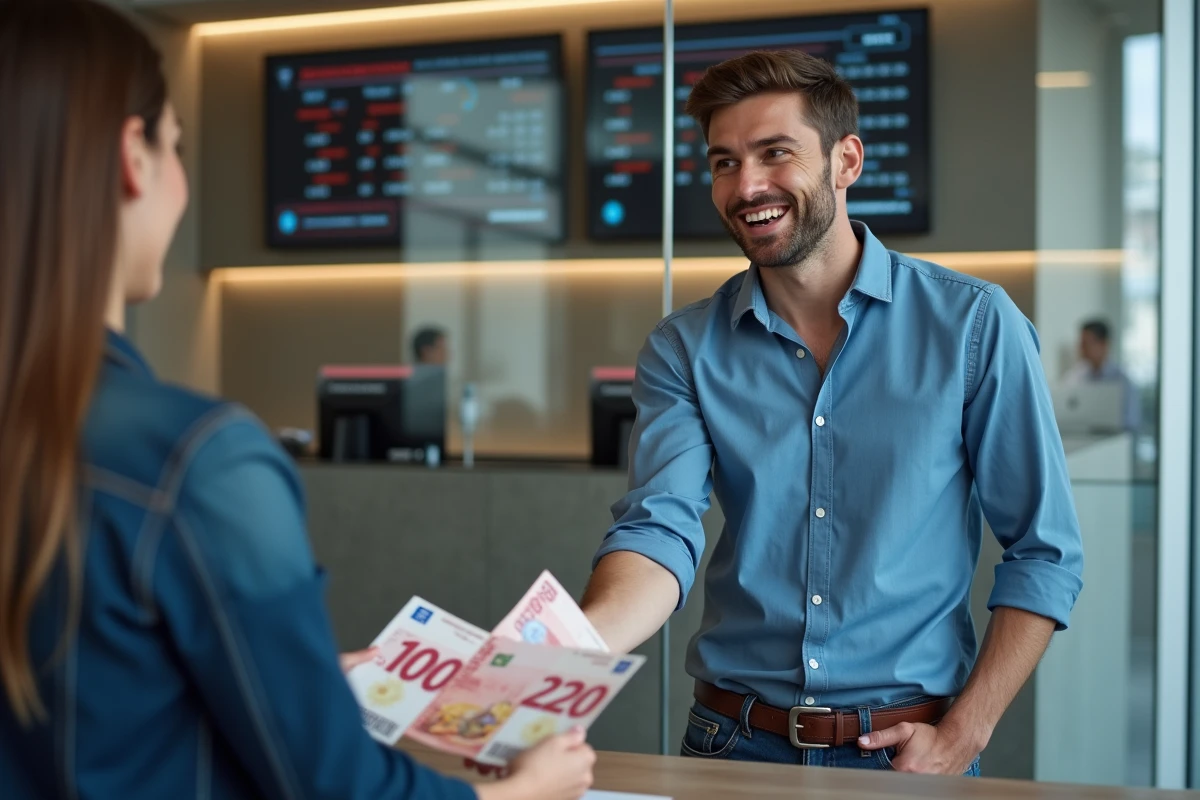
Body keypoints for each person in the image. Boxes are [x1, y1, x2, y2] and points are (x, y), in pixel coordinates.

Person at [0, 3, 593, 799]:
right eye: (175, 144)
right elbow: (335, 788)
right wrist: (521, 794)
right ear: (130, 161)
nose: (180, 179)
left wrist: (301, 684)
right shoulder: (199, 460)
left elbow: (96, 703)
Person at [581, 50, 1083, 776]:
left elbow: (1044, 550)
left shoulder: (974, 326)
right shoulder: (682, 348)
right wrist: (571, 649)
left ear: (846, 161)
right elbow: (658, 533)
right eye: (724, 162)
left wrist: (964, 735)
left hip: (907, 753)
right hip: (730, 745)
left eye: (774, 153)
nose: (746, 186)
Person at [1064, 318, 1141, 432]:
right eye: (1081, 344)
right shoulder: (1076, 375)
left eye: (1086, 344)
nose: (1081, 349)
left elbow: (1131, 423)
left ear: (1104, 344)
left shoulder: (1123, 382)